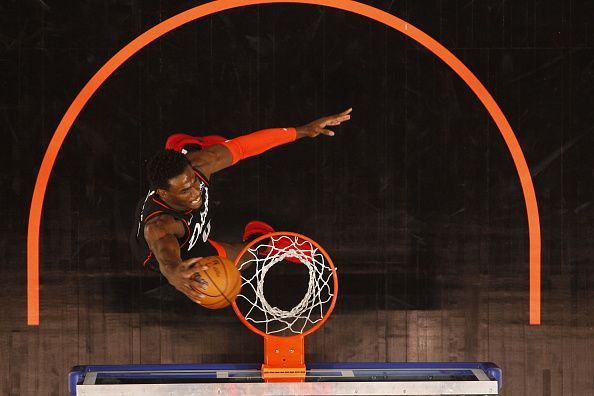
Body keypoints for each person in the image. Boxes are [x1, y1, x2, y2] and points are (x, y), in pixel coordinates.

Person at [130, 108, 352, 305]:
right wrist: (175, 273)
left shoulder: (199, 166)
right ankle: (263, 241)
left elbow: (246, 145)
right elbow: (165, 254)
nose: (196, 192)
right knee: (239, 263)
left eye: (194, 182)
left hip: (187, 177)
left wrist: (303, 131)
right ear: (163, 193)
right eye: (185, 191)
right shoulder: (160, 226)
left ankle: (183, 149)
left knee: (213, 153)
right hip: (184, 250)